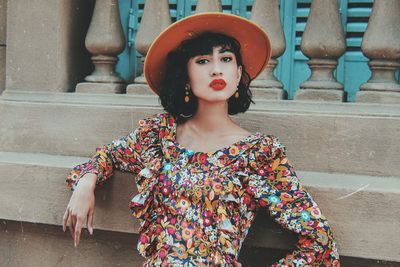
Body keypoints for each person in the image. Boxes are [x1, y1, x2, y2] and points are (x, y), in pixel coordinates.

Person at [63, 12, 340, 267]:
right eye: (203, 61)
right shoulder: (159, 138)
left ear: (239, 73)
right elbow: (108, 155)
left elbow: (320, 241)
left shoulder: (258, 154)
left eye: (226, 59)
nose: (217, 70)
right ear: (186, 75)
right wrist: (87, 182)